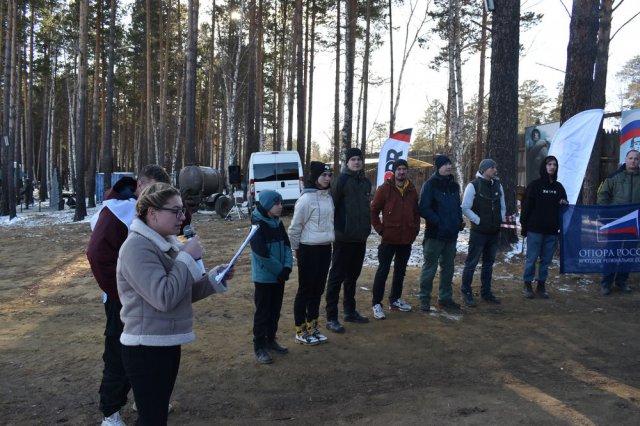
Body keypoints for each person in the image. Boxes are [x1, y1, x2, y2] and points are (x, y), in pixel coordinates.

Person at [117, 183, 231, 425]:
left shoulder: (165, 244)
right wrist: (187, 257)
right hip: (144, 348)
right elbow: (164, 297)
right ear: (152, 212)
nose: (183, 217)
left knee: (156, 416)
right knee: (152, 419)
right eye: (176, 211)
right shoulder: (136, 247)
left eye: (183, 210)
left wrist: (213, 279)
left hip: (166, 341)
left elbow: (181, 292)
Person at [87, 165, 172, 426]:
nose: (159, 196)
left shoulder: (148, 209)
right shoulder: (116, 211)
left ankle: (144, 398)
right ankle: (110, 413)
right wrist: (120, 294)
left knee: (149, 352)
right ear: (140, 185)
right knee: (119, 355)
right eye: (154, 190)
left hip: (149, 296)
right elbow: (97, 255)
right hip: (121, 301)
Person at [325, 147, 372, 333]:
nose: (357, 162)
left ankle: (350, 310)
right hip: (343, 238)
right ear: (347, 162)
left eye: (359, 159)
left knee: (352, 276)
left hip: (360, 237)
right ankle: (331, 317)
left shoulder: (366, 182)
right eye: (353, 159)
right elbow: (331, 208)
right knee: (336, 277)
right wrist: (336, 231)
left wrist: (367, 228)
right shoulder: (340, 181)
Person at [288, 162, 334, 344]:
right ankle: (300, 329)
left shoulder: (328, 198)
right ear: (315, 177)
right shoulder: (306, 199)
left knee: (318, 289)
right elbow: (294, 228)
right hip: (308, 249)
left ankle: (313, 325)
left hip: (325, 248)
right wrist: (297, 251)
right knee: (305, 290)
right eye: (323, 175)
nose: (328, 178)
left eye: (329, 175)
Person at [370, 158, 420, 319]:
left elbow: (416, 212)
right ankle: (376, 304)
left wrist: (415, 230)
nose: (402, 172)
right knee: (383, 271)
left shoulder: (412, 189)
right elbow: (374, 211)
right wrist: (380, 229)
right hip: (388, 239)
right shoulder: (384, 189)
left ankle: (395, 299)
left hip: (406, 239)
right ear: (394, 172)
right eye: (398, 169)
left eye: (404, 169)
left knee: (400, 271)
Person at [250, 190, 293, 363]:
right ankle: (259, 346)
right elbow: (261, 254)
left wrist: (287, 267)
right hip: (264, 278)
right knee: (263, 313)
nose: (281, 207)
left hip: (279, 277)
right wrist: (279, 270)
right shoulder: (257, 225)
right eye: (277, 204)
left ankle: (270, 339)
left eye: (281, 203)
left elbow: (287, 246)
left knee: (275, 311)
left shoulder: (278, 223)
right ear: (268, 205)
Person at [418, 155, 464, 312]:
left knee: (448, 268)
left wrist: (459, 221)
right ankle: (424, 298)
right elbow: (423, 208)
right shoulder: (430, 184)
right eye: (445, 164)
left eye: (450, 163)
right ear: (438, 167)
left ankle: (445, 298)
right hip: (435, 235)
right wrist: (438, 222)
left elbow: (458, 207)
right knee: (430, 267)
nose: (448, 166)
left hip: (451, 235)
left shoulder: (454, 186)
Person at [520, 156, 568, 299]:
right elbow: (526, 207)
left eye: (554, 165)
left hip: (552, 231)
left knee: (546, 260)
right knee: (532, 258)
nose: (552, 167)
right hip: (535, 230)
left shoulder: (559, 187)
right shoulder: (534, 186)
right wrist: (524, 225)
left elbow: (565, 206)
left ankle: (541, 285)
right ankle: (527, 284)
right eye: (549, 164)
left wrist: (564, 202)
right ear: (544, 166)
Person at [460, 158, 506, 306]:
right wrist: (478, 220)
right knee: (471, 263)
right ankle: (466, 292)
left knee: (488, 264)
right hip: (478, 233)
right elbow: (465, 207)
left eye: (495, 167)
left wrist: (501, 219)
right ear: (484, 169)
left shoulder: (498, 185)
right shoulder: (473, 186)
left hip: (494, 232)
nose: (495, 170)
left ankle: (486, 292)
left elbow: (502, 206)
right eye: (492, 167)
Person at [596, 149, 640, 295]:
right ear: (625, 159)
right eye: (631, 158)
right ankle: (606, 283)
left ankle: (622, 281)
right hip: (616, 223)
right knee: (612, 252)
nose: (633, 161)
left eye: (636, 159)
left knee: (629, 253)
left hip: (635, 224)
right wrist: (605, 216)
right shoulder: (613, 177)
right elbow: (603, 196)